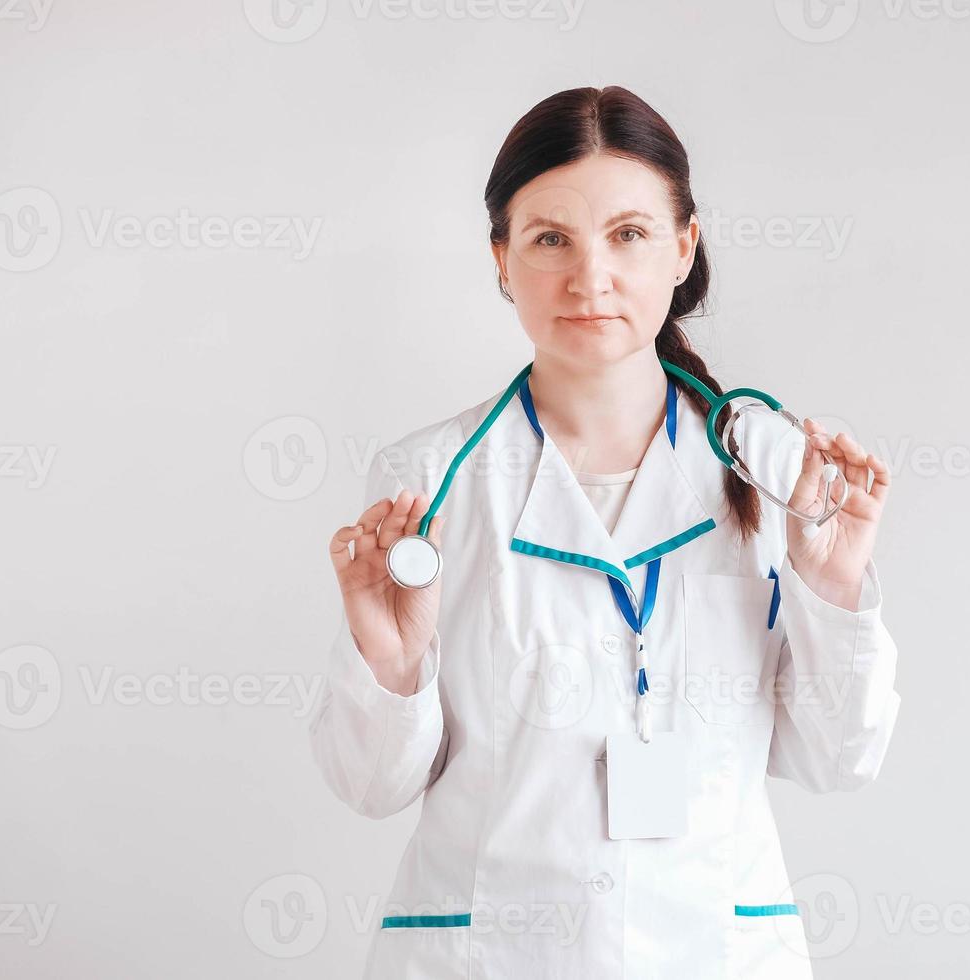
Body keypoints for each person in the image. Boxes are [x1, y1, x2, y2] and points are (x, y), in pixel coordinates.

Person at [309, 85, 901, 980]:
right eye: (550, 239)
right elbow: (369, 787)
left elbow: (836, 761)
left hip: (709, 949)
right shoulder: (427, 482)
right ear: (502, 259)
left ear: (682, 248)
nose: (591, 278)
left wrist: (832, 585)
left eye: (628, 234)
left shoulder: (780, 479)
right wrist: (392, 669)